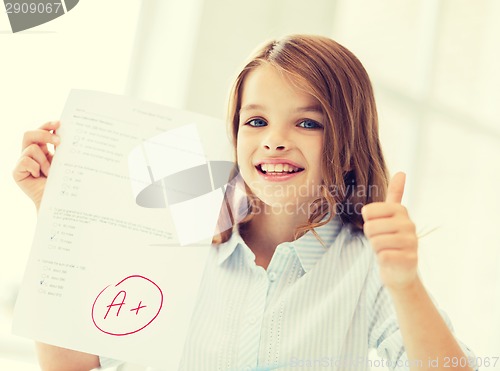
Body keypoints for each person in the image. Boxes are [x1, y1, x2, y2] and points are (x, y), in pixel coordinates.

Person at [14, 35, 476, 371]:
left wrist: (404, 284)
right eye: (256, 120)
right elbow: (77, 366)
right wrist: (55, 215)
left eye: (308, 123)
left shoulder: (365, 268)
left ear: (348, 138)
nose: (274, 141)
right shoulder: (175, 237)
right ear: (233, 131)